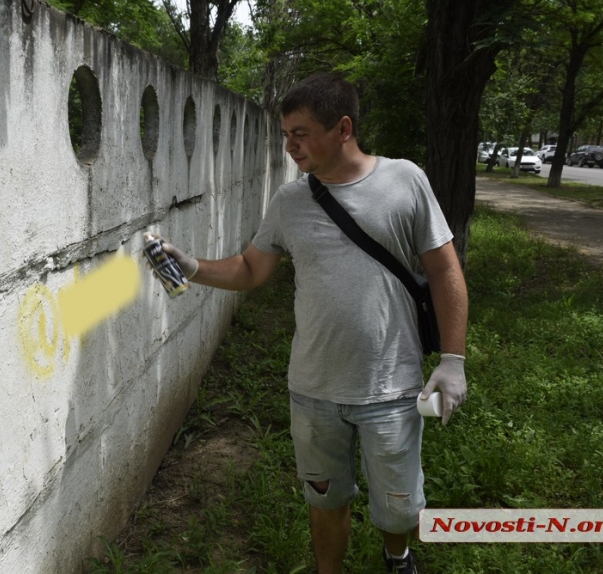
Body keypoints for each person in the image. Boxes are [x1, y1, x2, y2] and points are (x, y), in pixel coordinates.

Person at [158, 73, 468, 574]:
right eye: (285, 134)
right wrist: (193, 267)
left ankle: (397, 555)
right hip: (313, 389)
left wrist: (453, 361)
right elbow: (251, 268)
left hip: (390, 386)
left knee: (399, 505)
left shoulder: (404, 180)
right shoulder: (289, 201)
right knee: (325, 500)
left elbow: (443, 268)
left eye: (300, 133)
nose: (289, 146)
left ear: (343, 128)